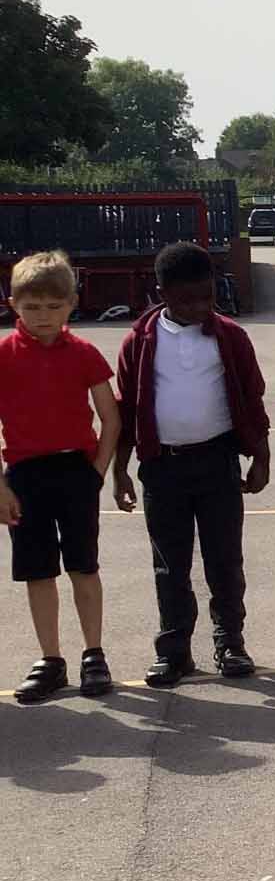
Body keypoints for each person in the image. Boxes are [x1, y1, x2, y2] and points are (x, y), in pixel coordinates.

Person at [114, 241, 272, 687]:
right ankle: (174, 649)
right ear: (161, 291)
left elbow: (253, 399)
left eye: (207, 296)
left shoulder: (231, 337)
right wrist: (120, 469)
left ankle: (231, 642)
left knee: (224, 559)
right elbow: (127, 409)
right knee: (170, 564)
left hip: (218, 461)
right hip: (162, 468)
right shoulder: (140, 341)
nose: (200, 307)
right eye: (187, 299)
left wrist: (260, 458)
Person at [1, 252, 120, 702]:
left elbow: (110, 417)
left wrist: (97, 471)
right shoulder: (4, 355)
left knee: (83, 566)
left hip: (76, 471)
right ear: (14, 304)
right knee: (38, 572)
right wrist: (1, 487)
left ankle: (94, 653)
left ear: (71, 304)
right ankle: (51, 659)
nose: (43, 316)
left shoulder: (85, 353)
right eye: (32, 307)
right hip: (25, 476)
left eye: (54, 306)